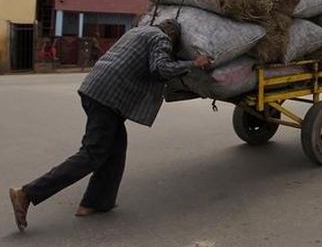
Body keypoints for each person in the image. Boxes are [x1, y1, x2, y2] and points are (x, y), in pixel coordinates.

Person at [9, 19, 212, 233]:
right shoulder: (160, 39)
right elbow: (160, 69)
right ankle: (27, 193)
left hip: (96, 90)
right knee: (93, 154)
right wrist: (193, 64)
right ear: (172, 36)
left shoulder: (138, 32)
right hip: (107, 98)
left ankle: (95, 202)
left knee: (115, 149)